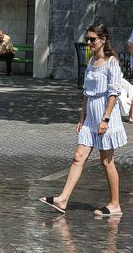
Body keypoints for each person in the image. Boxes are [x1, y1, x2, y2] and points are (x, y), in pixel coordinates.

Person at [39, 23, 126, 216]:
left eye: (92, 39)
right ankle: (63, 199)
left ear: (103, 40)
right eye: (87, 39)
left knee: (107, 161)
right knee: (78, 157)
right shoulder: (92, 60)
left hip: (105, 114)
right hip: (90, 117)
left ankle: (115, 204)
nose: (89, 43)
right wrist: (82, 117)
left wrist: (105, 119)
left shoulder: (112, 62)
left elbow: (114, 93)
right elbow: (86, 92)